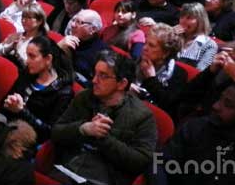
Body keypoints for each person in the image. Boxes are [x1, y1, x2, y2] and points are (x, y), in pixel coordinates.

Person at [51, 51, 157, 185]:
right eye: (95, 73)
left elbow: (141, 162)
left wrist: (104, 139)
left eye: (103, 76)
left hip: (103, 180)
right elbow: (56, 132)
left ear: (122, 84)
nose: (94, 80)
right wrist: (82, 129)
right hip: (67, 169)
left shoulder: (142, 116)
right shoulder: (84, 97)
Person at [2, 36, 73, 142]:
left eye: (32, 56)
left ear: (48, 59)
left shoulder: (63, 92)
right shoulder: (26, 74)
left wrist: (21, 111)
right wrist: (8, 104)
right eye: (27, 56)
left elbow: (50, 132)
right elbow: (4, 105)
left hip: (31, 141)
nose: (27, 61)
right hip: (9, 129)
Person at [132, 23, 187, 118]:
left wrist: (151, 79)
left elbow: (167, 105)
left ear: (165, 53)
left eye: (151, 46)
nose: (144, 48)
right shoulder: (135, 61)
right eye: (145, 43)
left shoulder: (178, 74)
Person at [57, 9, 107, 84]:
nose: (73, 25)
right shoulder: (67, 41)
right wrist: (58, 47)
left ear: (92, 29)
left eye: (79, 22)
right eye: (73, 20)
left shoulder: (101, 52)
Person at [0, 3, 48, 68]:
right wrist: (10, 47)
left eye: (29, 18)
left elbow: (31, 67)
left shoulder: (41, 43)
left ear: (39, 21)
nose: (23, 20)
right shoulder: (17, 35)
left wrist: (17, 53)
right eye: (23, 17)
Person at [175, 3, 218, 71]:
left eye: (189, 18)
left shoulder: (209, 45)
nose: (183, 21)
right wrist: (169, 35)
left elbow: (200, 72)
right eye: (182, 17)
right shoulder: (173, 35)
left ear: (200, 21)